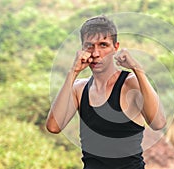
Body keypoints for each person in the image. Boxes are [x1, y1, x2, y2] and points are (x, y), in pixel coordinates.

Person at [46, 15, 166, 169]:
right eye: (89, 46)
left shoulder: (130, 83)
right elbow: (54, 127)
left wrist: (137, 69)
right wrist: (72, 72)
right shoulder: (79, 88)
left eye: (103, 45)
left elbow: (158, 123)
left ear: (115, 47)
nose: (96, 53)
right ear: (82, 49)